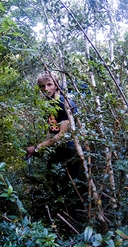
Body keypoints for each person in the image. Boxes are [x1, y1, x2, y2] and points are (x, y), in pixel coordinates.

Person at [26, 71, 84, 217]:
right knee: (52, 182)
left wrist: (38, 147)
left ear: (57, 85)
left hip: (70, 150)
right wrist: (42, 149)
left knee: (71, 187)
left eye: (49, 84)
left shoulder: (64, 103)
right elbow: (51, 131)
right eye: (42, 86)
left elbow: (61, 135)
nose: (46, 89)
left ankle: (73, 220)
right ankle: (56, 217)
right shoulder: (49, 105)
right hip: (58, 151)